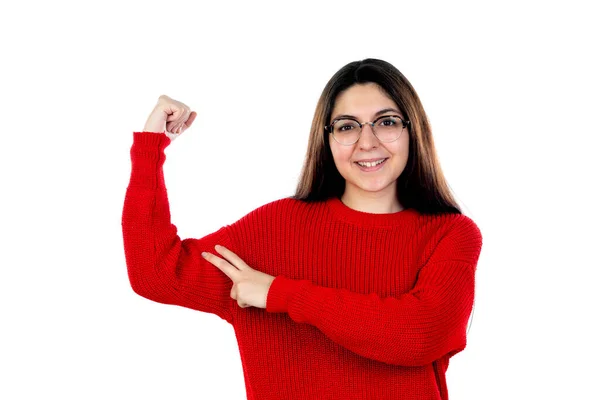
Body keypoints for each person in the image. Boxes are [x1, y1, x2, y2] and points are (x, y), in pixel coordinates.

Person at [122, 58, 483, 400]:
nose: (368, 142)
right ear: (326, 140)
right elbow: (154, 272)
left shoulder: (450, 234)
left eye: (386, 122)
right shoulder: (272, 229)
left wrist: (280, 294)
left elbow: (420, 335)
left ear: (412, 130)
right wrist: (150, 148)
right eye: (347, 126)